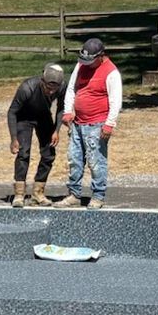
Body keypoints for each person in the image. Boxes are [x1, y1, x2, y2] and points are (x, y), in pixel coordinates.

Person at [59, 37, 123, 208]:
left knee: (96, 161)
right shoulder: (81, 66)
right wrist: (67, 111)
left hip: (97, 124)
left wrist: (110, 124)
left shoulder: (111, 72)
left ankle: (98, 195)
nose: (87, 64)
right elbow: (72, 88)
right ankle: (74, 193)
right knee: (74, 159)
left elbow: (116, 101)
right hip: (78, 123)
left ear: (101, 56)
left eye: (91, 60)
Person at [5, 62, 65, 207]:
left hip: (43, 117)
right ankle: (19, 194)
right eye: (48, 88)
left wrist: (56, 130)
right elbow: (12, 112)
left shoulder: (62, 86)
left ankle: (38, 193)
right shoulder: (27, 87)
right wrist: (14, 138)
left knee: (49, 154)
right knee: (23, 153)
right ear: (42, 81)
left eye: (54, 89)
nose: (51, 92)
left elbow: (61, 109)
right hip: (24, 118)